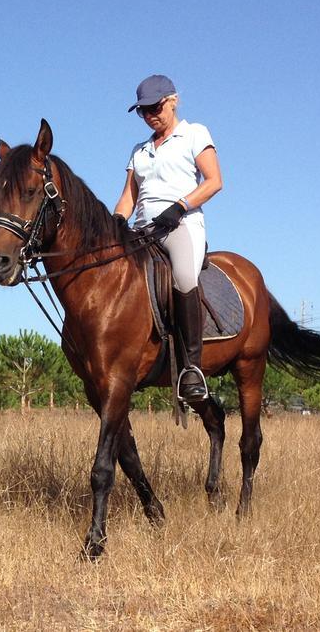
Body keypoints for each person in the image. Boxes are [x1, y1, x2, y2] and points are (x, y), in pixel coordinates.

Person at [113, 75, 223, 402]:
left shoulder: (194, 133)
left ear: (173, 100)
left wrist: (179, 207)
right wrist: (117, 221)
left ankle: (192, 369)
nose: (150, 115)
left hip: (180, 225)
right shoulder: (140, 151)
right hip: (144, 230)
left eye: (155, 107)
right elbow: (128, 198)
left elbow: (215, 181)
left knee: (185, 277)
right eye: (143, 111)